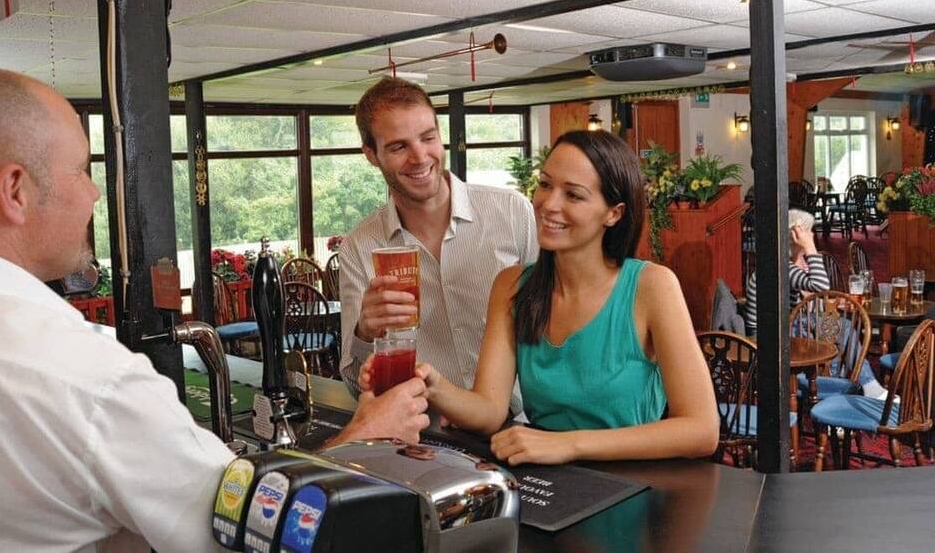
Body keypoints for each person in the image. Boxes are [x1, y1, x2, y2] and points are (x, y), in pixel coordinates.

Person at [0, 68, 428, 552]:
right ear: (15, 191)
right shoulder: (83, 378)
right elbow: (242, 532)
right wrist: (364, 436)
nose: (92, 193)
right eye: (82, 169)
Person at [362, 130, 720, 465]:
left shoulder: (652, 286)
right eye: (545, 185)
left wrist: (569, 444)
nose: (549, 203)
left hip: (634, 486)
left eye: (574, 194)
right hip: (550, 479)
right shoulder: (513, 285)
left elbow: (702, 430)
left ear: (614, 213)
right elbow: (489, 410)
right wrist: (432, 383)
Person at [339, 77, 538, 404]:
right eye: (398, 146)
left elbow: (556, 322)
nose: (419, 157)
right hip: (426, 436)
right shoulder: (359, 247)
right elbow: (354, 385)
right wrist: (364, 333)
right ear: (371, 155)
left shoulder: (512, 212)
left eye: (427, 138)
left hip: (521, 425)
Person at [743, 208, 885, 399]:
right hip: (768, 340)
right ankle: (853, 386)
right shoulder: (782, 268)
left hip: (779, 331)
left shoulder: (780, 265)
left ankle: (841, 386)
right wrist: (810, 248)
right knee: (836, 325)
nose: (811, 235)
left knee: (827, 325)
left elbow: (804, 303)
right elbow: (821, 286)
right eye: (807, 233)